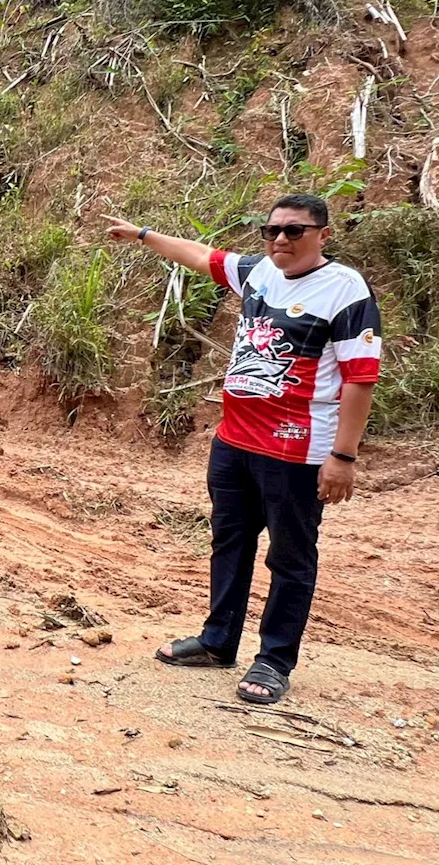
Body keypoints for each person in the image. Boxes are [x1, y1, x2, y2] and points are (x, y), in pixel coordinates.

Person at [103, 194, 381, 704]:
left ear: (324, 233)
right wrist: (143, 235)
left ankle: (274, 660)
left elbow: (360, 380)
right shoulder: (258, 273)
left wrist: (343, 457)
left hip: (298, 451)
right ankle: (217, 641)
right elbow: (201, 255)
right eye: (272, 229)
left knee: (291, 557)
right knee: (229, 542)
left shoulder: (346, 291)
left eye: (295, 231)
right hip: (234, 441)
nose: (281, 239)